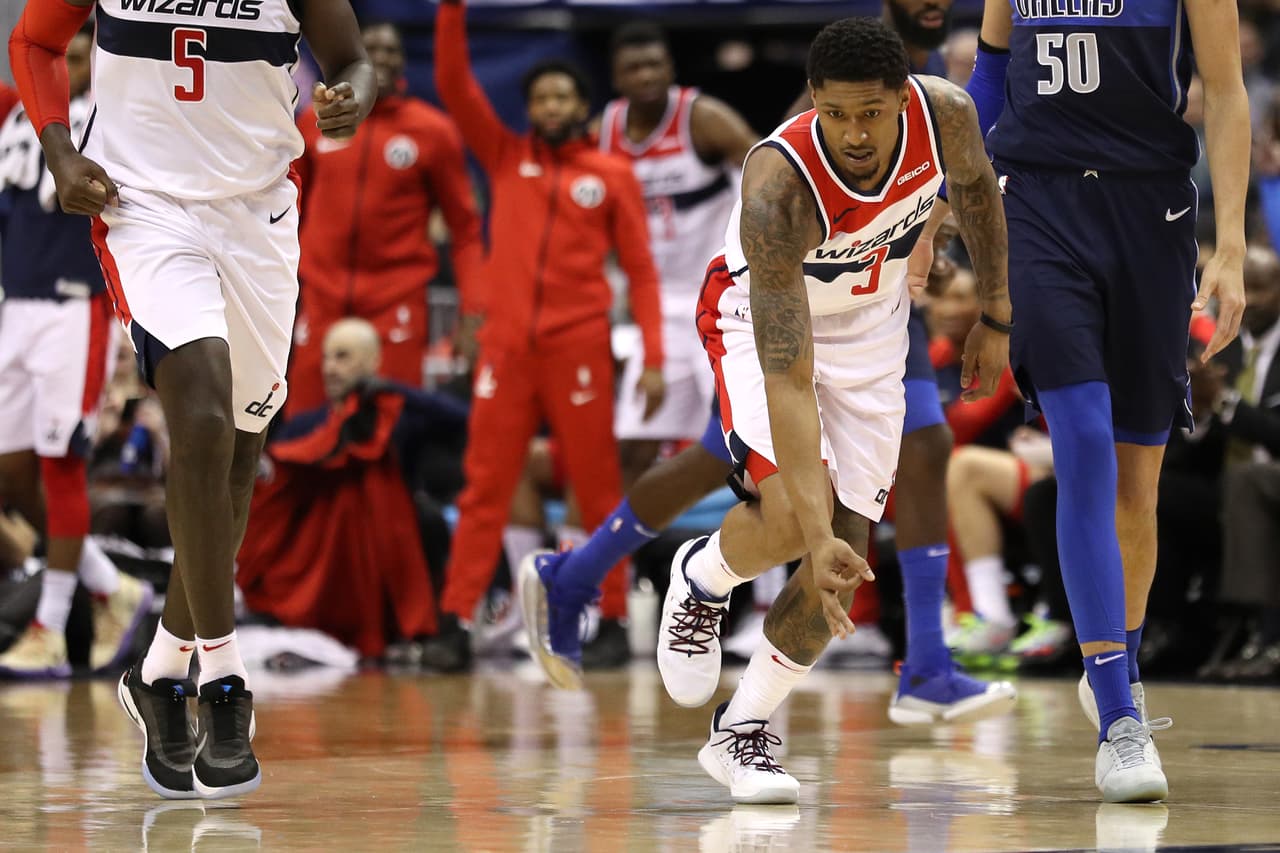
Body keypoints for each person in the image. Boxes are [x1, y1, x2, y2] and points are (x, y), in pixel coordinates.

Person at [8, 0, 375, 799]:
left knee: (238, 457)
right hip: (142, 206)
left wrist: (355, 94)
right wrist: (60, 150)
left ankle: (160, 668)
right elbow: (34, 39)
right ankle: (225, 679)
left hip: (260, 214)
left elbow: (352, 58)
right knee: (201, 422)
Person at [658, 18, 1012, 804]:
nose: (854, 133)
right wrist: (812, 537)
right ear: (813, 100)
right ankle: (705, 574)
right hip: (762, 326)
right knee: (798, 522)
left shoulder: (946, 113)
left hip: (874, 326)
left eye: (872, 113)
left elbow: (978, 192)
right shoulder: (779, 190)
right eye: (836, 113)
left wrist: (996, 313)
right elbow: (789, 379)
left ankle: (742, 728)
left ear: (903, 99)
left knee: (845, 558)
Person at [971, 0, 1249, 802]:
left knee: (1137, 486)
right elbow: (990, 71)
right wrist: (949, 204)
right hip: (1037, 203)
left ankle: (1116, 663)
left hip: (1151, 212)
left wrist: (1232, 243)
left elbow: (1227, 91)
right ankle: (1120, 716)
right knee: (1084, 444)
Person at [423, 0, 665, 672]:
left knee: (597, 485)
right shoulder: (504, 156)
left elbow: (642, 271)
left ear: (582, 105)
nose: (551, 106)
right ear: (529, 108)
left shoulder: (610, 175)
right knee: (483, 486)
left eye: (562, 96)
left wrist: (652, 356)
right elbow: (453, 85)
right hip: (506, 351)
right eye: (540, 98)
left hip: (579, 349)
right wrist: (450, 11)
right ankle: (456, 620)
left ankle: (611, 616)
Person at [0, 24, 152, 679]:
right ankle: (111, 586)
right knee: (10, 473)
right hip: (16, 302)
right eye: (60, 55)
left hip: (75, 304)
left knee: (63, 464)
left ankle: (51, 627)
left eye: (80, 56)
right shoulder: (17, 113)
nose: (67, 65)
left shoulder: (113, 118)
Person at [285, 20, 484, 414]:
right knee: (305, 422)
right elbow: (289, 212)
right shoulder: (316, 122)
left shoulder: (432, 131)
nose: (381, 58)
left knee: (391, 424)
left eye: (391, 50)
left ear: (404, 62)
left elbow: (465, 230)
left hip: (396, 301)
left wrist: (474, 311)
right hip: (322, 295)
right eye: (370, 48)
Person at [238, 318, 467, 659]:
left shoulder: (399, 419)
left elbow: (461, 417)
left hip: (387, 549)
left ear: (373, 362)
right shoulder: (305, 425)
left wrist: (394, 390)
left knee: (430, 521)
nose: (329, 368)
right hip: (321, 555)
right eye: (326, 357)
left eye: (342, 357)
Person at [597, 22, 757, 487]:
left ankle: (759, 536)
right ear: (616, 77)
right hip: (655, 308)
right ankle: (630, 539)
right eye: (634, 68)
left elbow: (767, 172)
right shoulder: (603, 131)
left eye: (655, 65)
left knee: (744, 441)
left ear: (670, 68)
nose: (646, 75)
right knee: (634, 446)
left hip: (721, 299)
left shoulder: (703, 117)